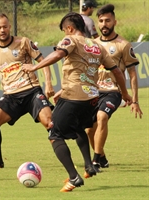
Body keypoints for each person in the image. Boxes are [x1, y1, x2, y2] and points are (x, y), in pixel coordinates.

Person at [22, 12, 132, 192]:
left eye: (65, 31)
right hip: (91, 99)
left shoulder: (70, 40)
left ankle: (74, 177)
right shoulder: (97, 46)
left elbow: (58, 55)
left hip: (73, 96)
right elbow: (118, 72)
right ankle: (89, 165)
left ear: (70, 29)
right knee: (78, 128)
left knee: (54, 133)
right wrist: (125, 94)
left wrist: (34, 67)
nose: (65, 35)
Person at [0, 13, 55, 169]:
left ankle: (68, 159)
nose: (3, 30)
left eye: (5, 26)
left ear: (9, 27)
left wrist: (48, 83)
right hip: (11, 97)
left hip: (32, 92)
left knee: (51, 124)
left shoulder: (23, 42)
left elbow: (44, 62)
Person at [86, 4, 143, 170]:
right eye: (101, 21)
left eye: (108, 21)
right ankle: (102, 156)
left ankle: (95, 160)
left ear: (114, 22)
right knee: (89, 130)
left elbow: (132, 74)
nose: (104, 24)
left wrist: (135, 100)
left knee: (102, 117)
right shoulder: (92, 44)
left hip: (113, 92)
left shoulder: (123, 45)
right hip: (93, 92)